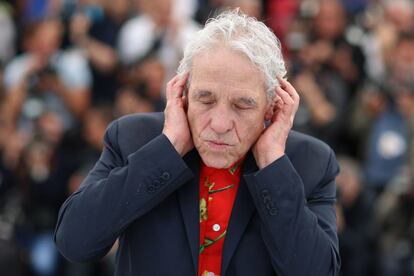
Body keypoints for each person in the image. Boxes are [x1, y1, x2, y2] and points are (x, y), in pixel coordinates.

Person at [55, 10, 340, 276]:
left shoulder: (309, 161)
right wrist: (168, 148)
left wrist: (272, 165)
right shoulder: (133, 138)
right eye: (206, 99)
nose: (219, 124)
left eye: (242, 105)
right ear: (183, 92)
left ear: (272, 107)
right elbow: (75, 242)